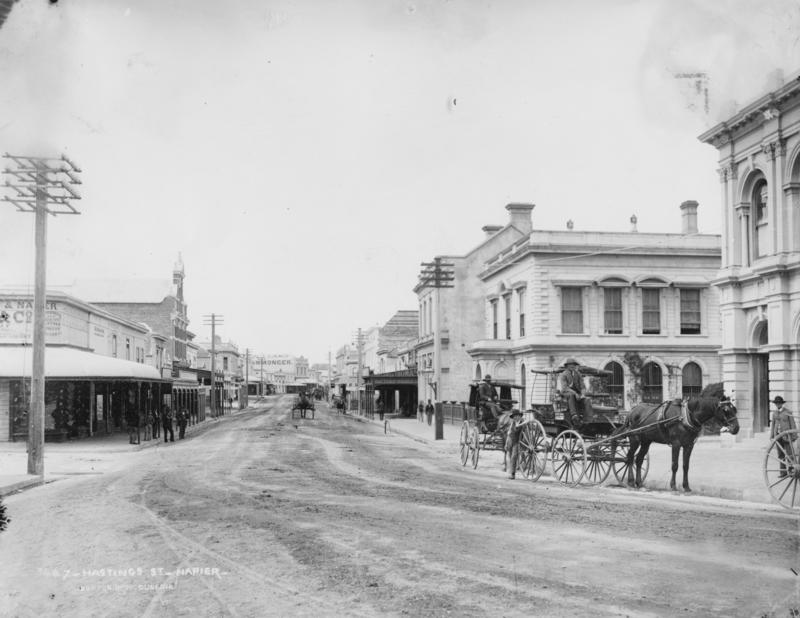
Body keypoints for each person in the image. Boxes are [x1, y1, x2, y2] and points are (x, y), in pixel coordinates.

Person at [771, 396, 796, 477]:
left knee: (789, 454)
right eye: (776, 403)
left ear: (782, 404)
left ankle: (792, 471)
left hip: (787, 436)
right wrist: (772, 436)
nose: (778, 405)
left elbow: (792, 424)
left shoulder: (788, 412)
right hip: (778, 436)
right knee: (780, 454)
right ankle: (783, 472)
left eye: (779, 403)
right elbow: (773, 425)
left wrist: (794, 436)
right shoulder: (774, 413)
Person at [558, 358, 587, 428]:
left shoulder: (578, 374)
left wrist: (583, 394)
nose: (572, 366)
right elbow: (565, 387)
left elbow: (582, 386)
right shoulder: (563, 374)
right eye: (570, 365)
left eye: (574, 365)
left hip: (577, 393)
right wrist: (575, 393)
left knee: (586, 399)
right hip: (566, 393)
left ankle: (582, 415)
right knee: (571, 395)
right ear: (567, 366)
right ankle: (574, 415)